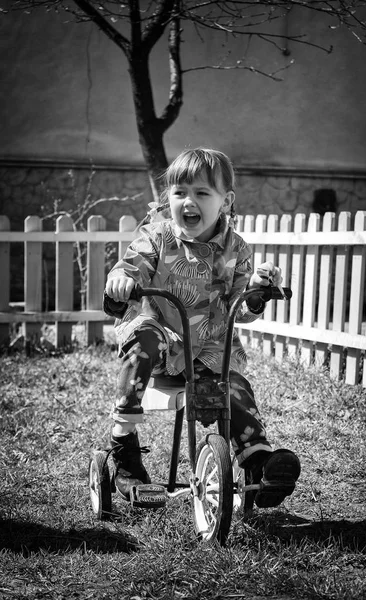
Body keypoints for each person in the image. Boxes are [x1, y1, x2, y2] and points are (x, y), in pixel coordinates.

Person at [103, 147, 300, 508]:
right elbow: (131, 266)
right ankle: (124, 446)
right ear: (169, 197)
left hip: (208, 350)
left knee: (234, 386)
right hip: (160, 343)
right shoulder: (157, 237)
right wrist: (121, 280)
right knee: (144, 338)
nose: (188, 202)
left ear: (226, 201)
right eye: (179, 193)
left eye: (201, 193)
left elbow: (241, 306)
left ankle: (258, 462)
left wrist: (257, 289)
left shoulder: (235, 248)